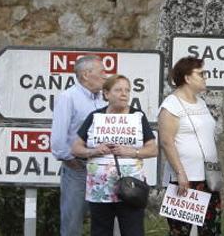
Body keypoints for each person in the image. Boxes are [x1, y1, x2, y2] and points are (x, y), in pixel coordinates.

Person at [72, 74, 157, 236]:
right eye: (118, 90)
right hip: (100, 189)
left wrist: (132, 152)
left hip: (131, 188)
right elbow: (75, 148)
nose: (124, 94)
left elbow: (153, 149)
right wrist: (94, 151)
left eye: (127, 90)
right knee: (100, 231)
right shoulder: (95, 117)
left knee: (133, 231)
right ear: (106, 94)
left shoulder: (137, 117)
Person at [159, 57, 222, 235]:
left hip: (208, 177)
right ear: (187, 78)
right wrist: (180, 173)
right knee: (182, 231)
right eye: (201, 74)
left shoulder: (201, 102)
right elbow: (166, 141)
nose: (205, 77)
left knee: (211, 230)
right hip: (185, 179)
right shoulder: (170, 105)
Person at [51, 54, 107, 236]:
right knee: (73, 222)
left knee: (102, 221)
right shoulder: (68, 97)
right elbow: (58, 137)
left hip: (102, 168)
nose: (106, 76)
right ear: (85, 75)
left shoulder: (102, 99)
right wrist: (70, 160)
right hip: (78, 168)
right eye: (101, 72)